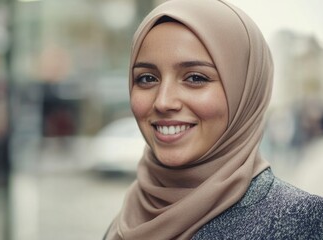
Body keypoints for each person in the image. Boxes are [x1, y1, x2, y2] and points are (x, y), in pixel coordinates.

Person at [103, 0, 323, 239]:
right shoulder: (129, 217)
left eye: (195, 78)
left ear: (245, 92)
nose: (163, 102)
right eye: (147, 79)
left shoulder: (301, 221)